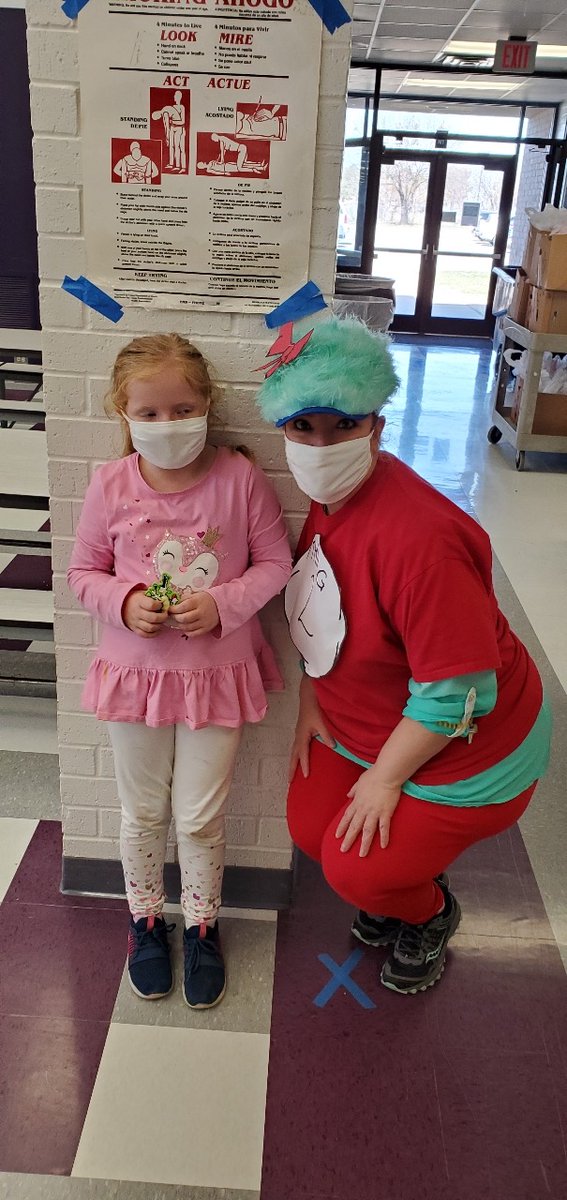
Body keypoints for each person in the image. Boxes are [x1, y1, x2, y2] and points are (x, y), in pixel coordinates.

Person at [256, 316, 551, 995]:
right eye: (302, 427)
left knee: (356, 871)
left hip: (471, 743)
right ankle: (405, 875)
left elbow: (456, 692)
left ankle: (429, 911)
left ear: (376, 427)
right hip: (369, 721)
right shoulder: (328, 499)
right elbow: (321, 610)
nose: (319, 444)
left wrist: (385, 781)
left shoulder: (420, 539)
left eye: (342, 425)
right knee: (311, 830)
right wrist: (310, 699)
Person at [68, 333, 291, 1009]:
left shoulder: (238, 477)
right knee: (141, 812)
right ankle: (143, 922)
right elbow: (82, 572)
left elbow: (275, 563)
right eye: (151, 412)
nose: (167, 425)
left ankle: (199, 925)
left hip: (216, 676)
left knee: (198, 818)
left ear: (206, 405)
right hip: (133, 677)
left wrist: (221, 604)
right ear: (123, 412)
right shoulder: (109, 484)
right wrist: (126, 601)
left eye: (181, 407)